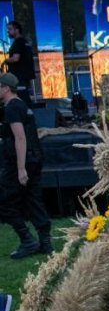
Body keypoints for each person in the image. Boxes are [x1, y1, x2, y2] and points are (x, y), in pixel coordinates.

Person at [0, 73, 51, 258]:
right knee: (33, 198)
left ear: (6, 88)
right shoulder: (23, 106)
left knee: (5, 201)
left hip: (20, 161)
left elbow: (20, 138)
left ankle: (28, 240)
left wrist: (21, 168)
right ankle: (45, 242)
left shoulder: (12, 108)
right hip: (34, 159)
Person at [1, 21, 35, 106]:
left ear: (17, 30)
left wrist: (6, 61)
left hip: (18, 77)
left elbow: (16, 58)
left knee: (21, 100)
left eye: (10, 29)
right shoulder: (25, 42)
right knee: (24, 97)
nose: (8, 31)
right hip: (25, 75)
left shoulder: (17, 42)